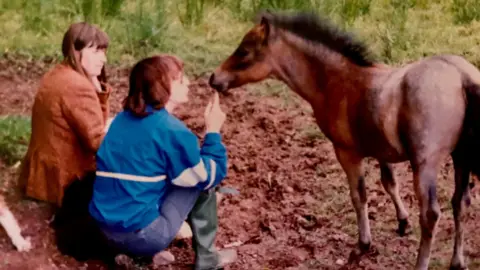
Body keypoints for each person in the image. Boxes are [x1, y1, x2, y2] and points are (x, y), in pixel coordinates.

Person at [88, 54, 237, 269]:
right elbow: (211, 175)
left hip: (103, 231)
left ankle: (129, 255)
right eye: (180, 79)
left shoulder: (119, 120)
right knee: (199, 181)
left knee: (164, 174)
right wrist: (213, 132)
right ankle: (207, 259)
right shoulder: (171, 130)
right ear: (162, 86)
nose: (187, 83)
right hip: (143, 236)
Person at [18, 22, 112, 207]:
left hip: (45, 174)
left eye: (104, 52)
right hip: (67, 180)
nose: (104, 59)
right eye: (96, 52)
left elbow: (95, 125)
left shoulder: (58, 73)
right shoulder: (77, 86)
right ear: (76, 52)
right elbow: (97, 143)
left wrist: (96, 85)